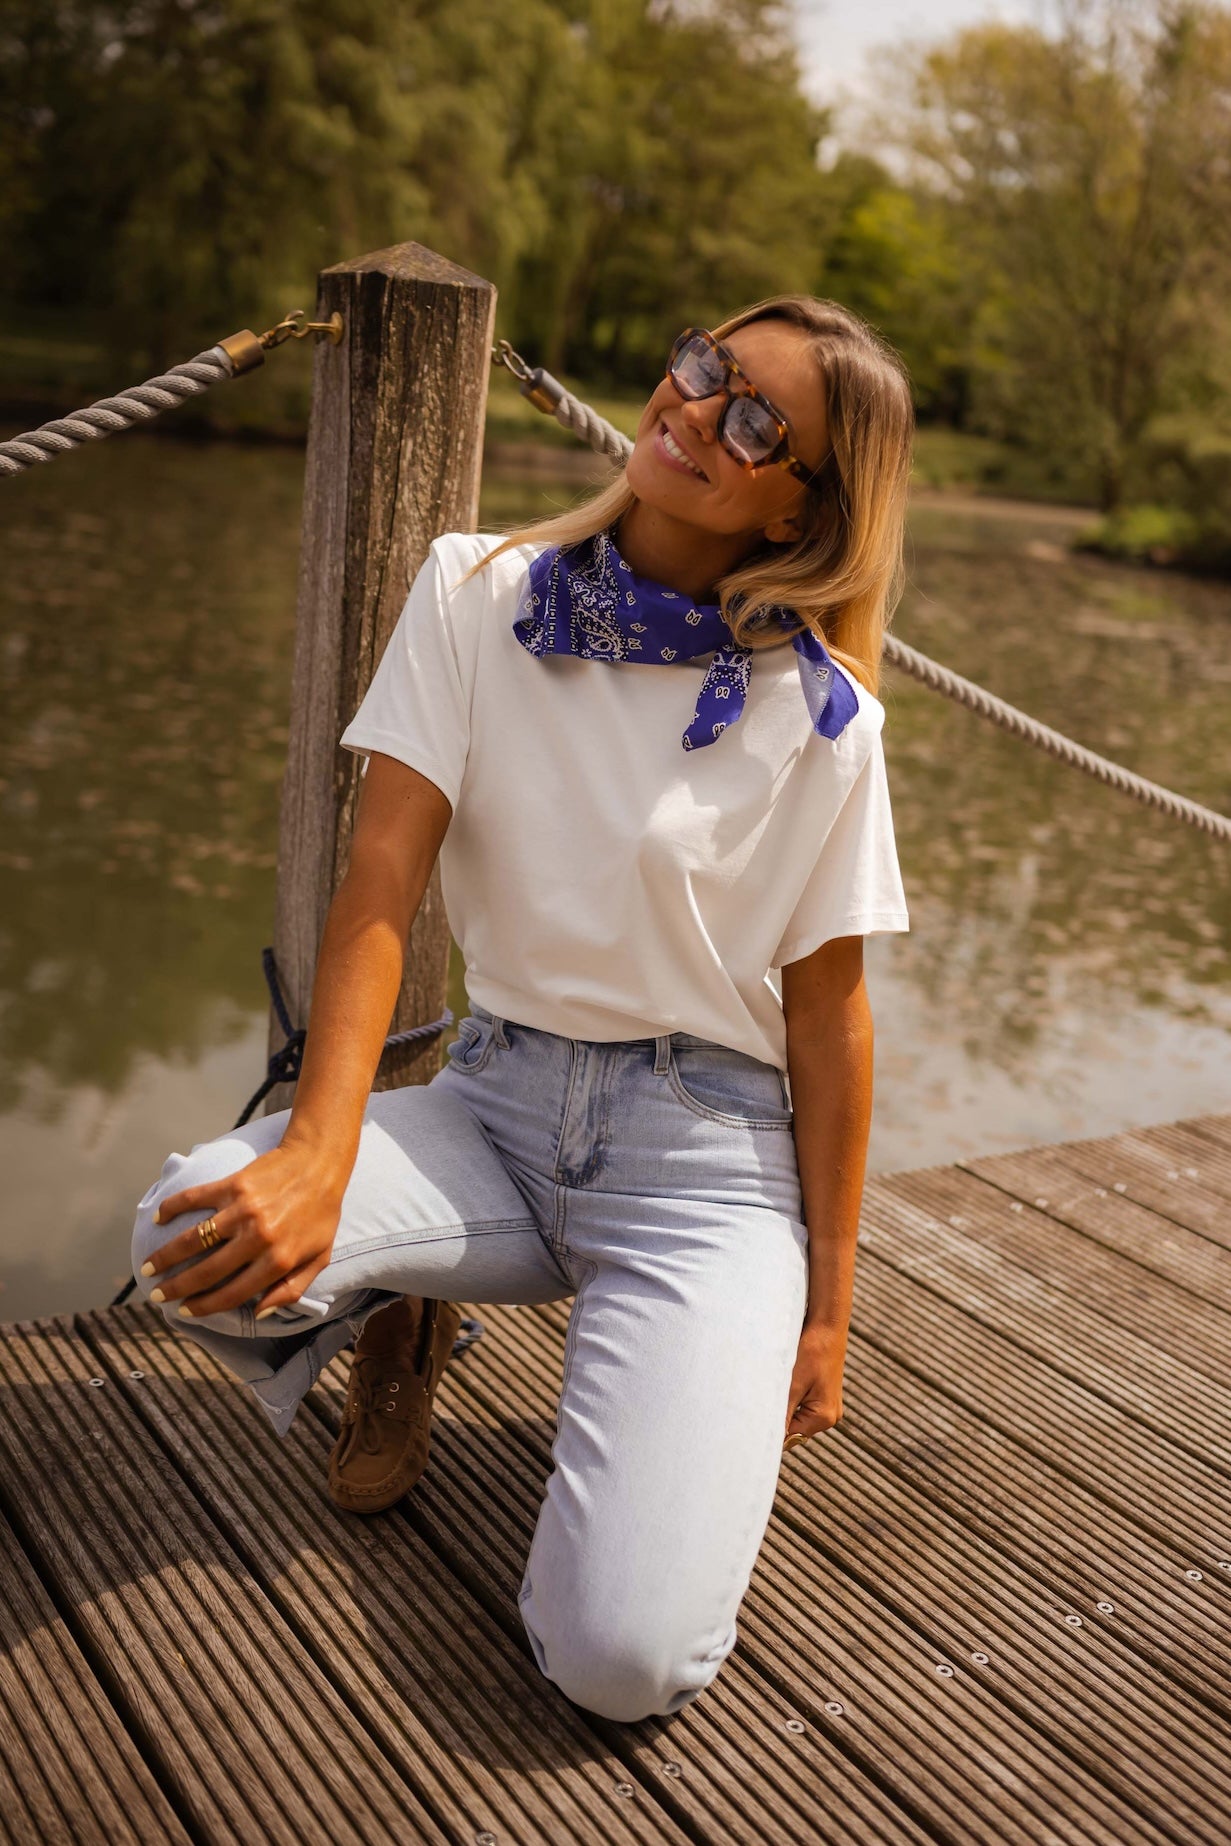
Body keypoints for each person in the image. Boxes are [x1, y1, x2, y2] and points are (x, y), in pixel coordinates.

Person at [129, 295, 914, 1724]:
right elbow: (383, 878)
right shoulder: (475, 590)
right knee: (182, 1235)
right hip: (492, 1106)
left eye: (756, 423)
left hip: (703, 1171)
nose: (694, 410)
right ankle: (404, 1310)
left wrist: (828, 1308)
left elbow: (831, 1020)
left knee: (624, 1663)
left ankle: (667, 1407)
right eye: (703, 366)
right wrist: (318, 1150)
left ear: (803, 508)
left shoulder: (825, 717)